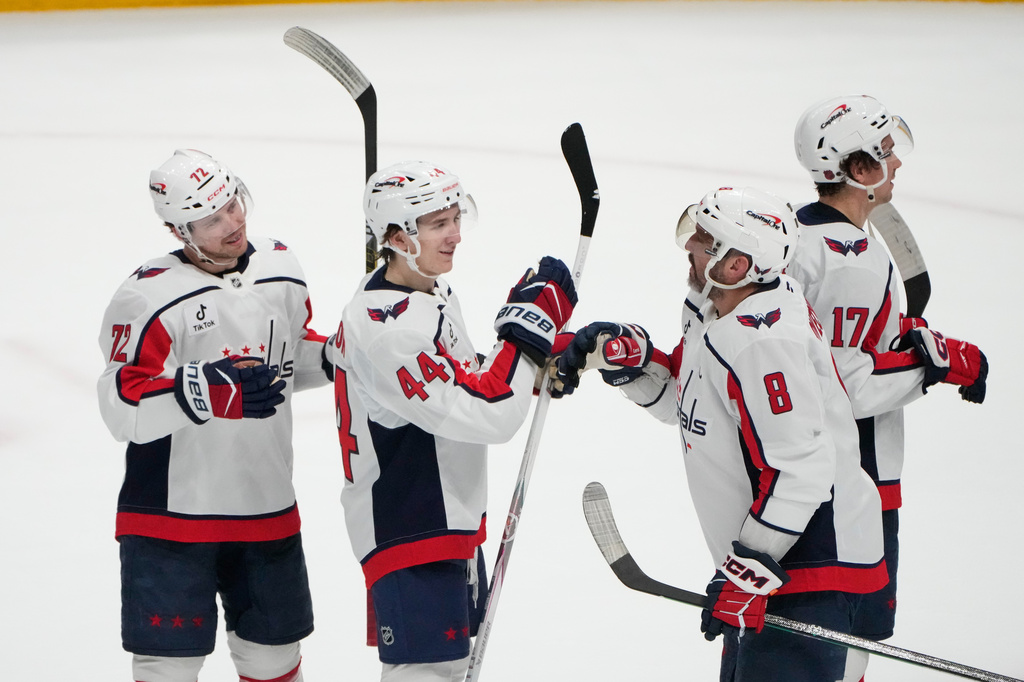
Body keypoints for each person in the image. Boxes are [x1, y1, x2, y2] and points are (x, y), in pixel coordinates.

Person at [556, 186, 888, 681]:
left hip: (811, 568)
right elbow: (690, 407)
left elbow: (801, 469)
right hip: (774, 564)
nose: (690, 243)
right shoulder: (716, 308)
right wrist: (632, 362)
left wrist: (749, 571)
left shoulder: (763, 341)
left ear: (735, 264)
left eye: (704, 238)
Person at [324, 160, 577, 682]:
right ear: (396, 236)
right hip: (410, 524)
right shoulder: (387, 328)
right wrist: (527, 331)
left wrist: (546, 355)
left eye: (456, 218)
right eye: (439, 224)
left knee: (451, 671)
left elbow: (471, 383)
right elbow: (491, 415)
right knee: (428, 675)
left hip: (445, 518)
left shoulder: (428, 293)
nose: (456, 235)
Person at [97, 149, 330, 682]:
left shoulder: (281, 268)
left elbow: (292, 356)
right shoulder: (146, 297)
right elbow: (121, 405)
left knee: (274, 661)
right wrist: (202, 393)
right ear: (179, 229)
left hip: (266, 504)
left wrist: (341, 358)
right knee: (168, 669)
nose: (234, 222)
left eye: (234, 204)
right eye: (212, 218)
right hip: (173, 517)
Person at [789, 95, 988, 680]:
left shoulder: (805, 234)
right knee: (847, 628)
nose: (896, 163)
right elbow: (842, 381)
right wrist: (938, 363)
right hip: (856, 473)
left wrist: (904, 339)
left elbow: (834, 340)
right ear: (857, 168)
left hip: (809, 469)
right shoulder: (849, 257)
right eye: (885, 153)